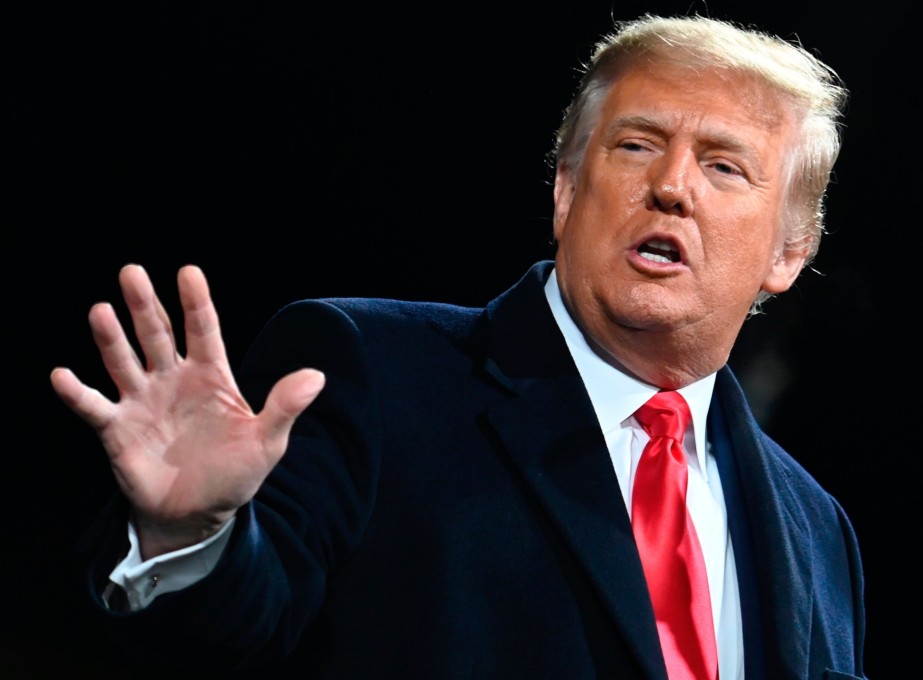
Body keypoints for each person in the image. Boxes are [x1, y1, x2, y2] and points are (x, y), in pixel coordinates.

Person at [50, 13, 867, 680]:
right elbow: (237, 633)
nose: (671, 185)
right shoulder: (373, 371)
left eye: (724, 167)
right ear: (565, 189)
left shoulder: (816, 527)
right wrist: (193, 537)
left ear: (789, 252)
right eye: (636, 144)